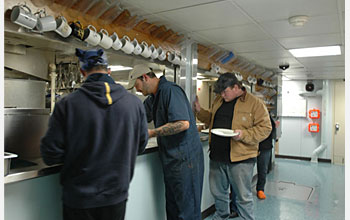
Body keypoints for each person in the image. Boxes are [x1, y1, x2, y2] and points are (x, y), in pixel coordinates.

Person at [40, 48, 148, 220]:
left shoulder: (67, 104)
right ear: (109, 71)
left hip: (79, 199)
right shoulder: (134, 104)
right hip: (116, 196)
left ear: (83, 72)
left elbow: (50, 154)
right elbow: (141, 145)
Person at [127, 64, 204, 220]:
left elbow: (183, 123)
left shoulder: (170, 90)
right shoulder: (153, 99)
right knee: (173, 208)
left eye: (137, 86)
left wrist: (152, 133)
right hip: (171, 161)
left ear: (145, 77)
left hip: (185, 161)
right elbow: (138, 118)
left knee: (186, 210)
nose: (137, 90)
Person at [194, 72, 272, 220]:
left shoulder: (254, 103)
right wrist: (199, 110)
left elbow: (265, 128)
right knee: (218, 193)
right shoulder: (219, 100)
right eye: (221, 92)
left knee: (243, 197)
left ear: (236, 87)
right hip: (217, 157)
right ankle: (222, 215)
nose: (222, 95)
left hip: (241, 159)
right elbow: (211, 118)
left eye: (225, 91)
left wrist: (243, 135)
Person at [256, 113, 276, 200]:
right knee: (245, 170)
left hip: (264, 147)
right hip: (250, 147)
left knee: (262, 170)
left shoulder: (266, 117)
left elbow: (271, 130)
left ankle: (260, 189)